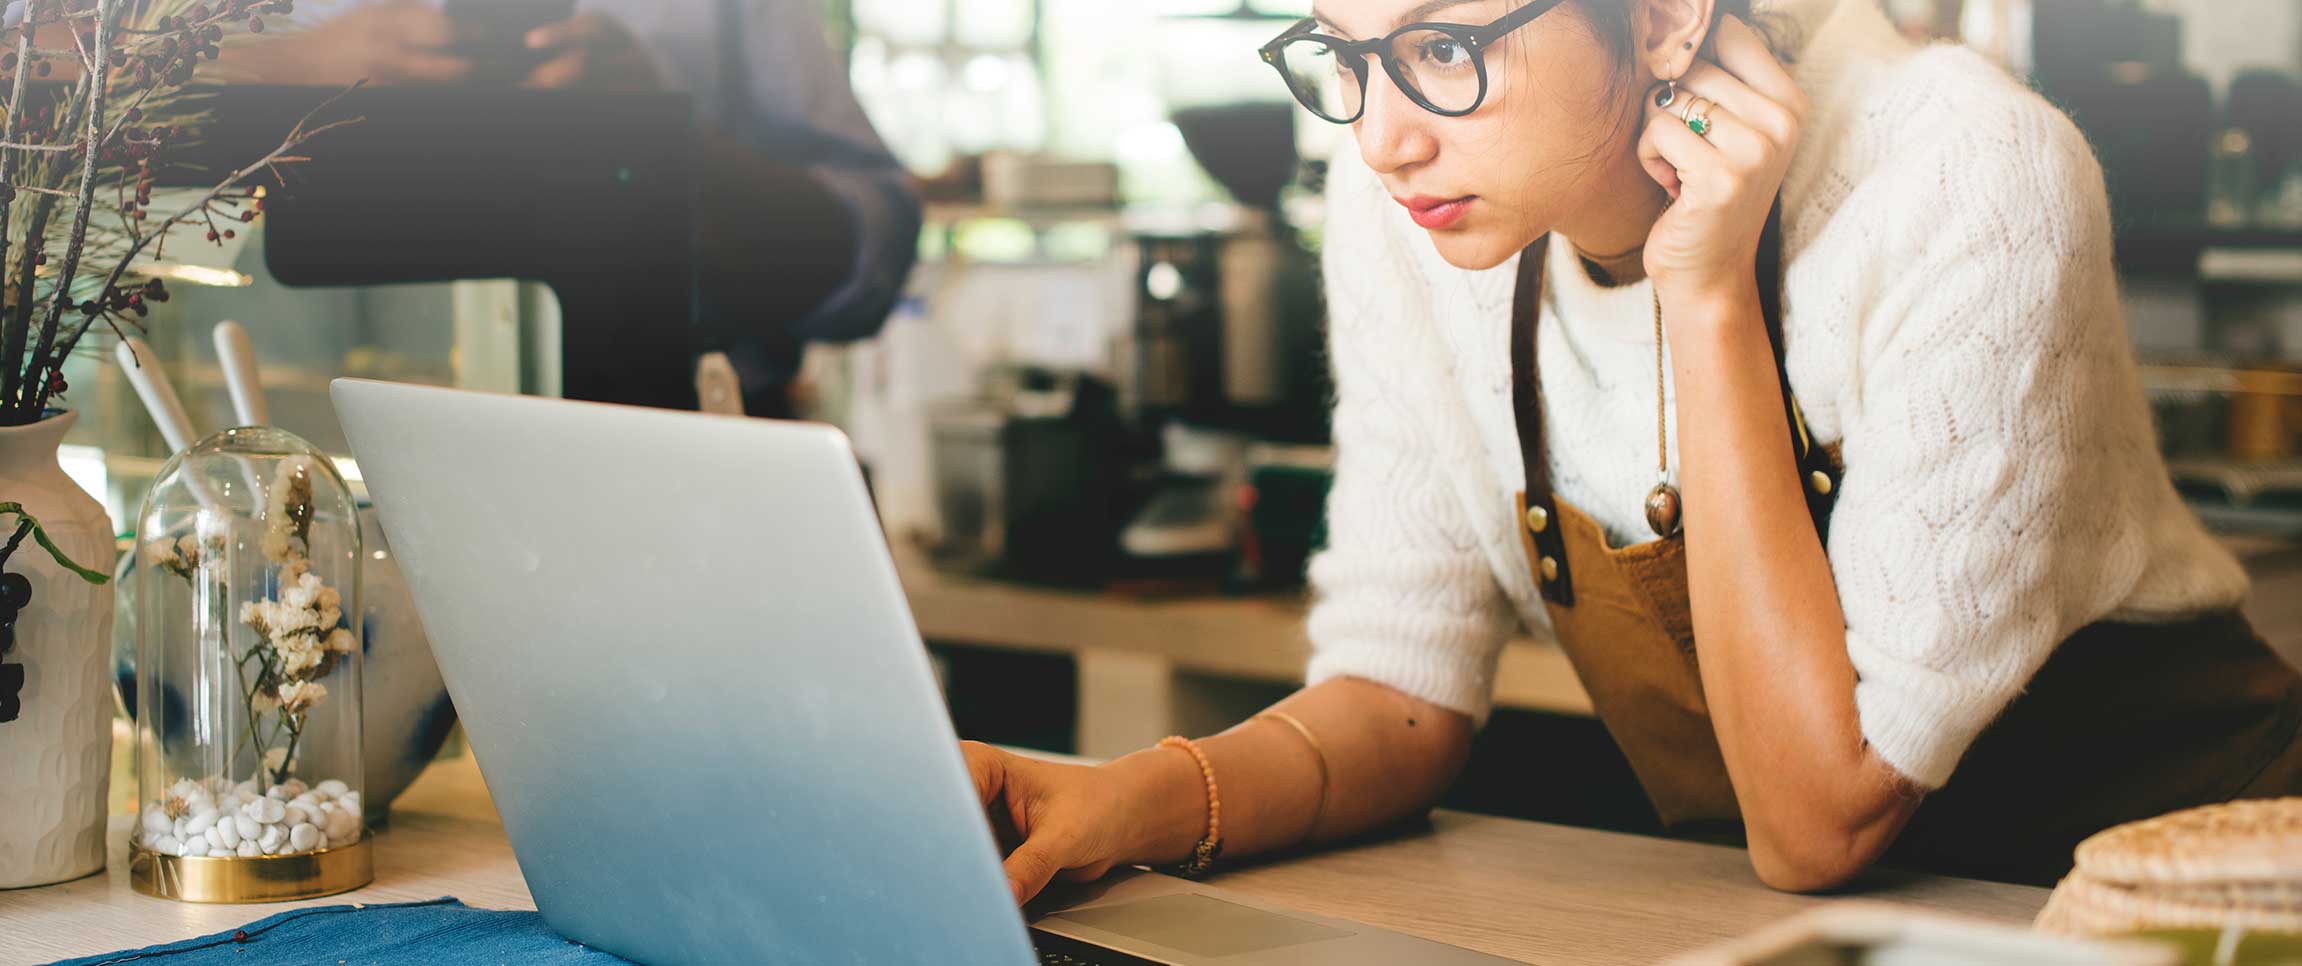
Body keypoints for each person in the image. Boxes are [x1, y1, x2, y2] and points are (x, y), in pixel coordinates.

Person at [962, 0, 2302, 896]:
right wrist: (1133, 800)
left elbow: (1817, 818)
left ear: (1659, 16)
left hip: (2185, 899)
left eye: (1440, 49)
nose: (1379, 135)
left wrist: (1703, 291)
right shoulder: (1409, 212)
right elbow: (1393, 693)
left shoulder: (1961, 171)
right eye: (1341, 51)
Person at [218, 0, 921, 415]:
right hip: (305, 455)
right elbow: (111, 113)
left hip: (669, 449)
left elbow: (874, 251)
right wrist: (278, 64)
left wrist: (663, 141)